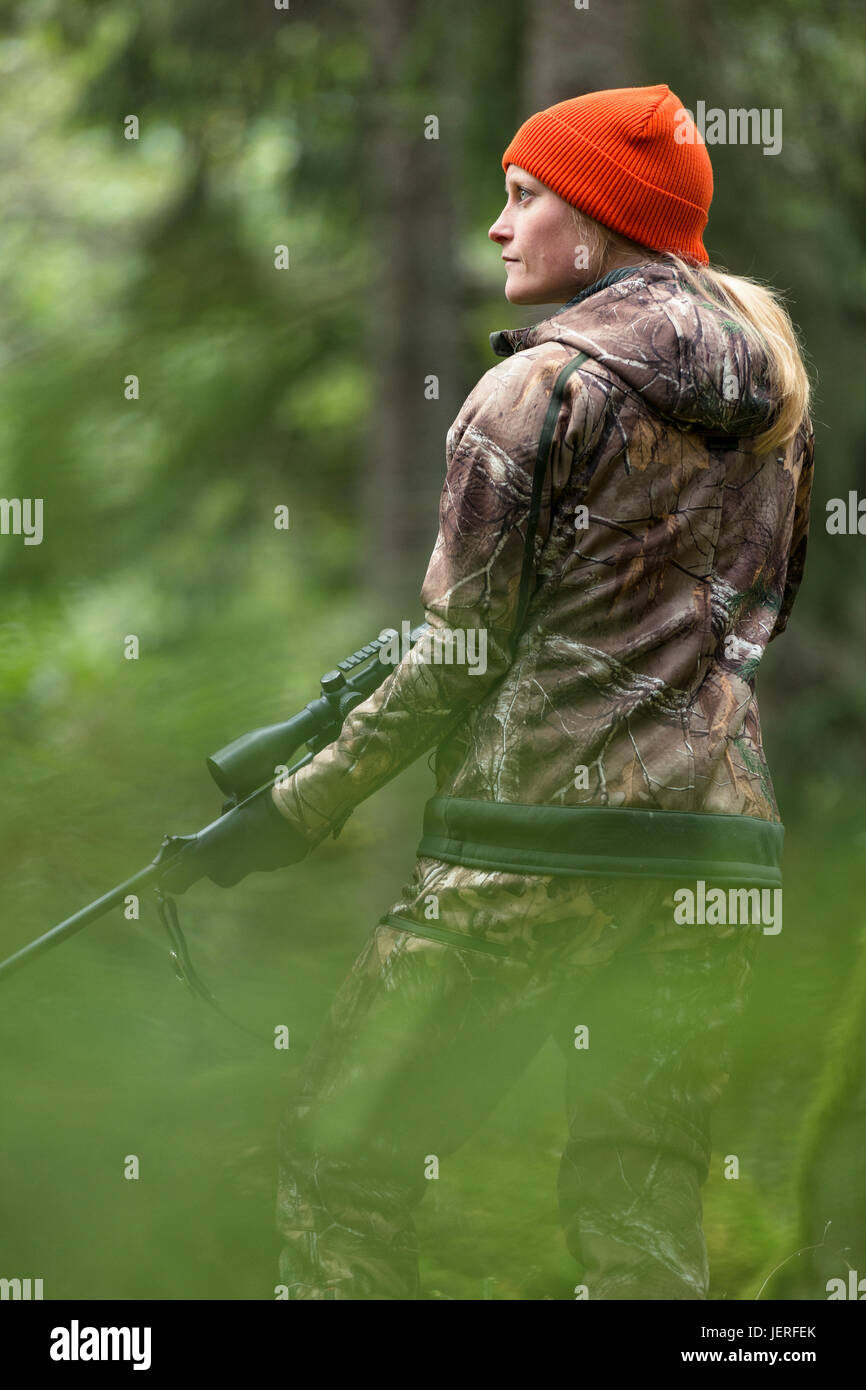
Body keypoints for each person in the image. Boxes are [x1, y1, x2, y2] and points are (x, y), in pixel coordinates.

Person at [199, 83, 815, 1299]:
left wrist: (293, 808)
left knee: (343, 1165)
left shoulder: (535, 390)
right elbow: (761, 618)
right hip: (718, 860)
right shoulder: (780, 404)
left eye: (525, 196)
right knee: (638, 1203)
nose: (498, 224)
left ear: (597, 223)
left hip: (528, 844)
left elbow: (459, 653)